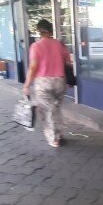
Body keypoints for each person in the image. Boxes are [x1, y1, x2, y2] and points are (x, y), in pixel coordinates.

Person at [23, 18, 71, 148]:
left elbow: (33, 67)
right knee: (56, 108)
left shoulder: (36, 46)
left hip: (43, 83)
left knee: (47, 111)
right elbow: (68, 62)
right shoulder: (60, 45)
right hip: (60, 81)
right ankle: (59, 133)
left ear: (39, 31)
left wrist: (27, 85)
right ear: (51, 30)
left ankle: (54, 138)